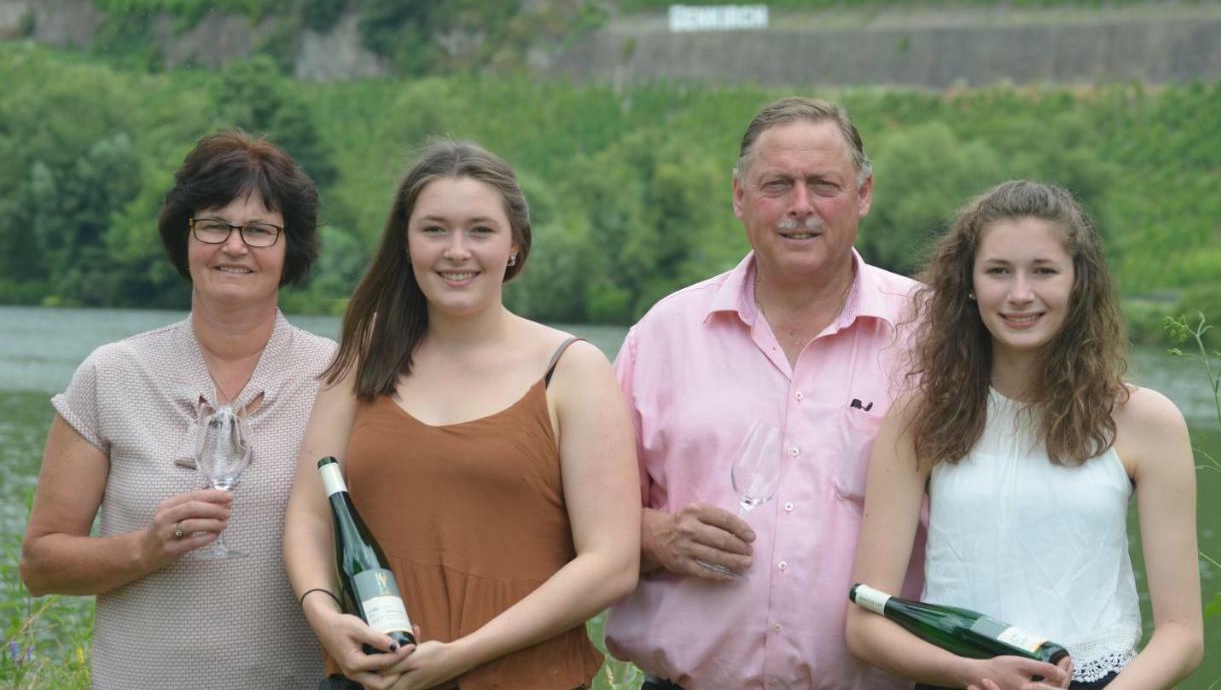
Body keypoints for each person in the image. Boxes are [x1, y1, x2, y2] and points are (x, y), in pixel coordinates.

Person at [283, 138, 639, 690]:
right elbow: (309, 513)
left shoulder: (573, 370)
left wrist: (462, 656)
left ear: (515, 245)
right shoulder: (364, 356)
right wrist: (324, 617)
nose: (456, 251)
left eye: (480, 230)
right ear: (405, 242)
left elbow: (611, 562)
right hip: (374, 680)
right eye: (433, 229)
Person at [605, 97, 926, 690]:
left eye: (823, 184)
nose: (800, 206)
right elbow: (579, 516)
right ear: (738, 196)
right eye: (777, 184)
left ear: (863, 194)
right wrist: (656, 537)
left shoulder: (932, 336)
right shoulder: (663, 335)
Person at [845, 180, 1203, 690]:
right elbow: (864, 622)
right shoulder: (920, 417)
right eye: (997, 271)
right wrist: (972, 672)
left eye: (1043, 271)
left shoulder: (1149, 421)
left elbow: (1182, 634)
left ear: (1079, 281)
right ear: (968, 283)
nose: (1019, 294)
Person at [20, 131, 335, 688]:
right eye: (213, 224)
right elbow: (41, 566)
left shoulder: (339, 379)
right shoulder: (111, 374)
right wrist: (145, 548)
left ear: (291, 248)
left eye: (260, 229)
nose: (234, 247)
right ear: (184, 236)